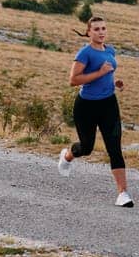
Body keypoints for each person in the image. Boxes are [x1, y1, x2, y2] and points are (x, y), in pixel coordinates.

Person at [57, 14, 133, 206]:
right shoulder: (85, 53)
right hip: (87, 106)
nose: (101, 32)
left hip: (109, 104)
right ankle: (67, 156)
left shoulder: (110, 50)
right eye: (97, 29)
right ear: (89, 32)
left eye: (103, 29)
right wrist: (100, 73)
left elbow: (108, 73)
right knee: (87, 147)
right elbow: (73, 80)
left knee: (114, 148)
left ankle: (123, 194)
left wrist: (115, 81)